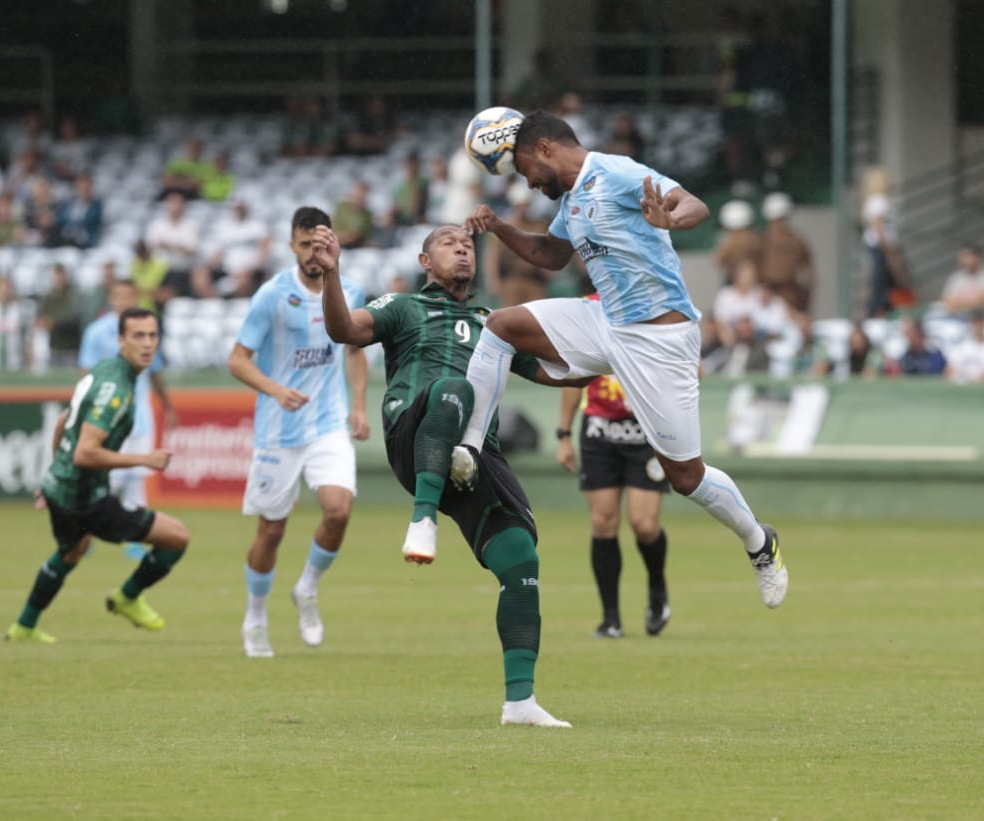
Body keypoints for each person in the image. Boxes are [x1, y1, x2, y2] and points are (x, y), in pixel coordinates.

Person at [458, 110, 788, 610]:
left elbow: (692, 204)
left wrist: (669, 219)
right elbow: (550, 255)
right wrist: (500, 227)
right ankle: (471, 448)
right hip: (607, 322)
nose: (527, 180)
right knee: (501, 325)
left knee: (686, 479)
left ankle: (760, 544)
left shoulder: (615, 173)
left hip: (660, 341)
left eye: (525, 168)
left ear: (546, 147)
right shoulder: (570, 201)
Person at [314, 222, 575, 728]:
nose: (462, 249)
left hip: (476, 454)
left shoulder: (493, 322)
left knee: (521, 558)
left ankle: (520, 703)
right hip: (415, 438)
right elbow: (344, 331)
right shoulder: (403, 306)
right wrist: (332, 276)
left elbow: (557, 371)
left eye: (468, 244)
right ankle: (422, 519)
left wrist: (624, 357)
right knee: (454, 389)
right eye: (449, 244)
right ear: (424, 261)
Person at [227, 207, 370, 659]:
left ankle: (307, 588)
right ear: (292, 246)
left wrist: (360, 406)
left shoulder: (350, 289)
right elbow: (237, 359)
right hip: (278, 430)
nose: (313, 253)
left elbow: (355, 350)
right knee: (271, 531)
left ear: (332, 245)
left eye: (320, 244)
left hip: (328, 423)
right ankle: (255, 617)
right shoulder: (272, 295)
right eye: (305, 244)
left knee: (338, 511)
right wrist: (274, 389)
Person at [5, 306, 190, 643]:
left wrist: (53, 476)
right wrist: (144, 459)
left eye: (152, 336)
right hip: (85, 499)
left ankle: (24, 626)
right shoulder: (117, 390)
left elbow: (63, 421)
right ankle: (128, 597)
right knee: (176, 537)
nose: (147, 344)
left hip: (62, 487)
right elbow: (85, 452)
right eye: (138, 336)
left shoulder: (102, 370)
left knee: (72, 552)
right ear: (121, 341)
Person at [556, 337, 670, 639]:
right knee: (603, 521)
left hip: (646, 431)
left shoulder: (653, 313)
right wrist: (564, 434)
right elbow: (572, 376)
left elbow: (691, 370)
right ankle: (611, 619)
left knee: (644, 525)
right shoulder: (587, 312)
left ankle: (657, 588)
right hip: (599, 431)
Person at [79, 280, 177, 515]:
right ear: (111, 298)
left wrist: (168, 407)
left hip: (140, 414)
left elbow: (155, 374)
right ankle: (87, 528)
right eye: (118, 295)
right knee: (110, 478)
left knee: (137, 480)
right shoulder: (96, 332)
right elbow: (86, 376)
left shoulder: (145, 334)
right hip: (108, 415)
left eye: (128, 296)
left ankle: (136, 536)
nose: (123, 301)